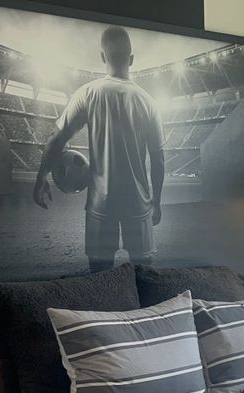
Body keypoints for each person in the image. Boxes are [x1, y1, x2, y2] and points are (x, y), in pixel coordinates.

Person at [33, 26, 165, 272]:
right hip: (138, 202)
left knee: (100, 276)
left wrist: (41, 176)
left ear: (103, 57)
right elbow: (158, 160)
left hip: (100, 203)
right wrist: (157, 201)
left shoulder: (88, 93)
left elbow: (56, 139)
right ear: (132, 59)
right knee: (144, 275)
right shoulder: (149, 102)